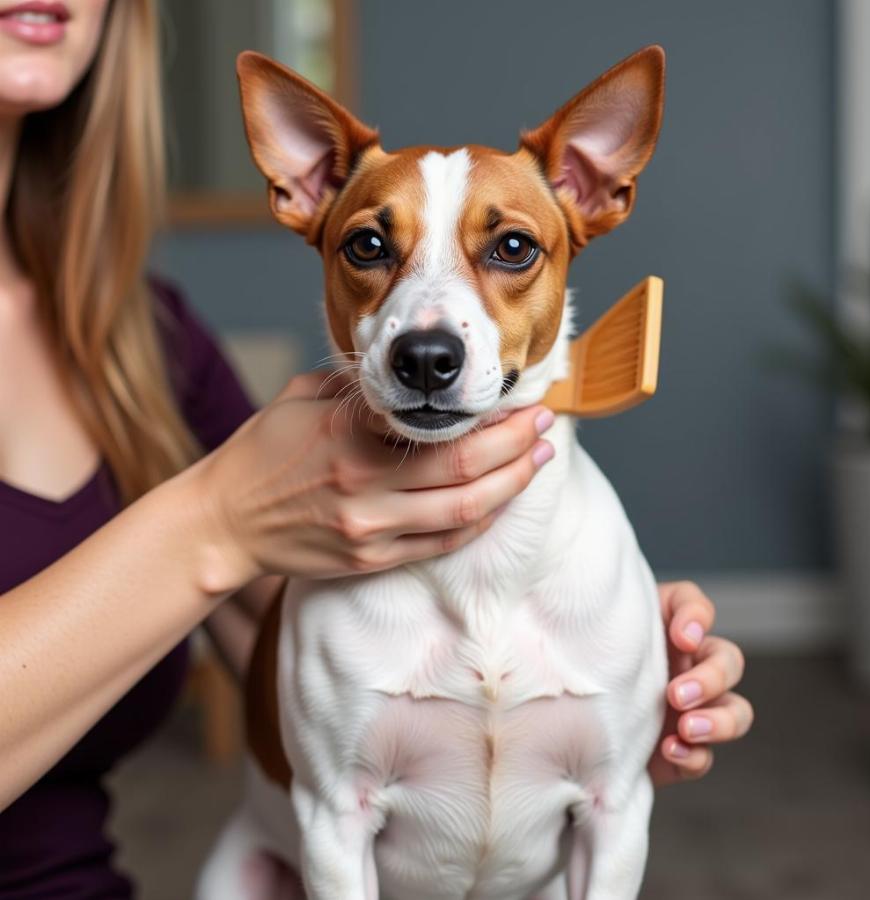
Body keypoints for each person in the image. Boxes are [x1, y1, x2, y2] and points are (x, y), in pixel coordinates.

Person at [0, 1, 753, 896]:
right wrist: (217, 520)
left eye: (510, 248)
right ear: (307, 193)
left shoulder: (149, 339)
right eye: (370, 246)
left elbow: (267, 625)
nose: (430, 335)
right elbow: (247, 556)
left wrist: (608, 684)